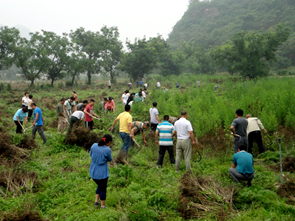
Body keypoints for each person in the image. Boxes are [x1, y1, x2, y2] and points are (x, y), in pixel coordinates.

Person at [89, 134, 113, 209]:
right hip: (102, 172)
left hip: (93, 171)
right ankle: (102, 206)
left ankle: (96, 201)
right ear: (108, 142)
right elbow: (110, 159)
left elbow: (91, 154)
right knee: (103, 188)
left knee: (100, 185)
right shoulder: (107, 149)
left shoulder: (94, 145)